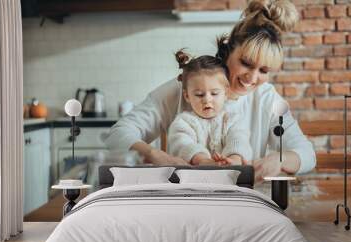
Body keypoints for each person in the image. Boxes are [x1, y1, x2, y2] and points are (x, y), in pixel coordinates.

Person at [105, 0, 315, 181]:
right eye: (246, 63)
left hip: (241, 203)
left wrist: (278, 159)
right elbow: (118, 134)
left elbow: (307, 154)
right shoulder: (184, 87)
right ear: (229, 50)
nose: (252, 78)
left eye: (264, 70)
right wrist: (153, 154)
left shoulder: (267, 99)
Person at [168, 50, 252, 166]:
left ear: (226, 93)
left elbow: (239, 140)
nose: (207, 100)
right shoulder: (183, 122)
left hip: (230, 176)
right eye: (199, 95)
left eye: (214, 93)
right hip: (193, 179)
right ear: (187, 96)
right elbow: (182, 144)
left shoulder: (233, 119)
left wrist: (234, 159)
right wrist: (202, 160)